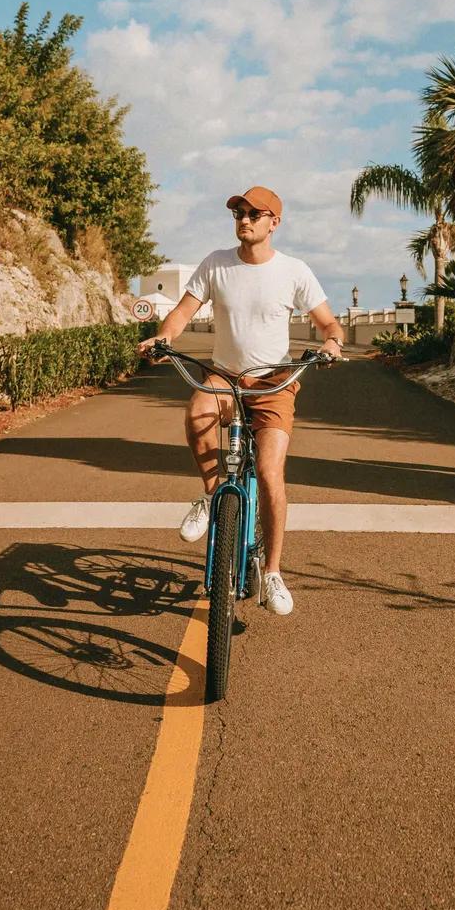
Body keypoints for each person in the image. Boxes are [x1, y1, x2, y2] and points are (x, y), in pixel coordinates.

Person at [148, 185, 343, 617]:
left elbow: (329, 322)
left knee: (271, 473)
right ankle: (213, 494)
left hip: (273, 383)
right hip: (224, 376)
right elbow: (182, 311)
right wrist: (164, 336)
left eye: (255, 213)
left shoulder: (294, 271)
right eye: (239, 212)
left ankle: (272, 572)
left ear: (275, 221)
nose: (245, 219)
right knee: (198, 410)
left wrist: (331, 343)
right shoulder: (216, 264)